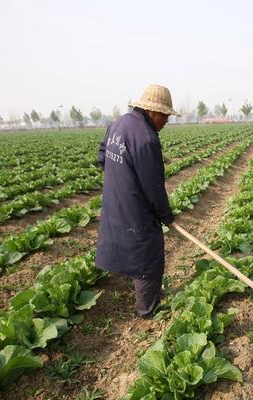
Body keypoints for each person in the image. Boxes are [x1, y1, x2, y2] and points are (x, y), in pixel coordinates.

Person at [96, 84, 179, 318]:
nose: (166, 121)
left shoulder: (118, 124)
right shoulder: (146, 138)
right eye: (164, 115)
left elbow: (102, 157)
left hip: (115, 199)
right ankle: (147, 308)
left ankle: (147, 297)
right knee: (147, 252)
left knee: (128, 243)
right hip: (136, 205)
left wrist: (120, 179)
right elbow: (153, 186)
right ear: (152, 111)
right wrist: (165, 216)